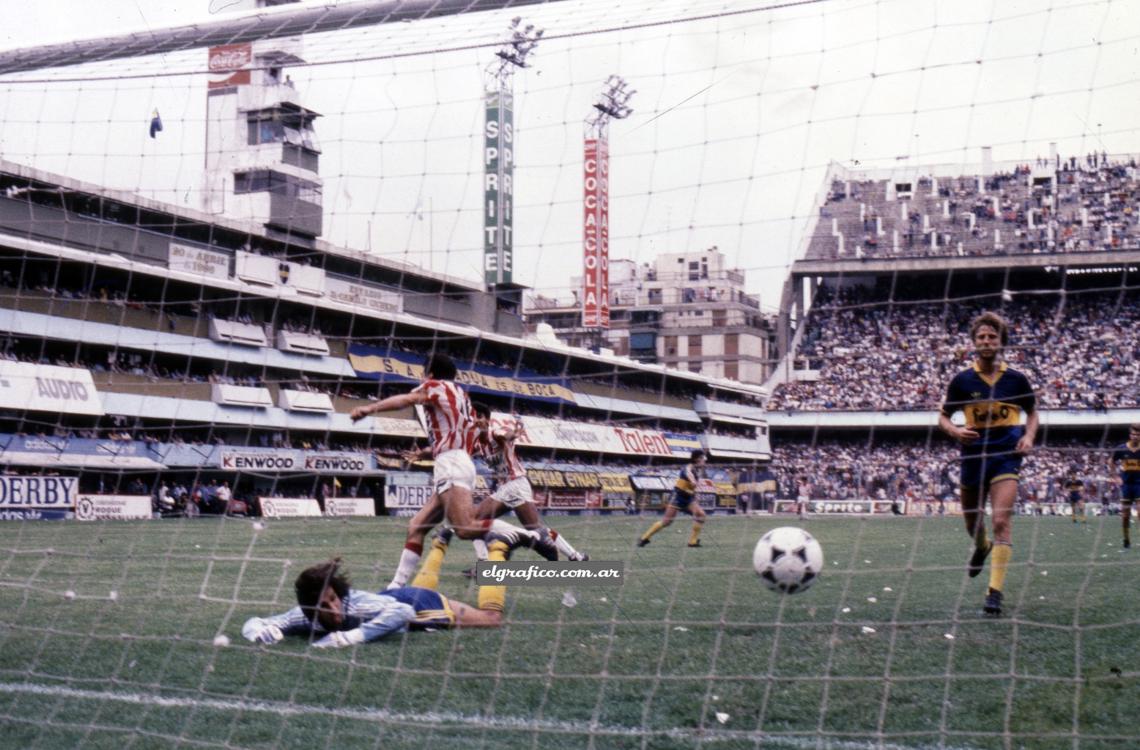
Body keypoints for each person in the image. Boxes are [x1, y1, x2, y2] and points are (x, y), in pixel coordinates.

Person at [351, 353, 550, 589]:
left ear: (431, 373)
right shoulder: (462, 396)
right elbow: (459, 434)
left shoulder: (435, 386)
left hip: (451, 464)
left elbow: (407, 399)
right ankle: (396, 587)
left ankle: (528, 536)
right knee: (417, 526)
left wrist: (369, 408)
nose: (423, 377)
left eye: (424, 372)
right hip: (458, 461)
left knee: (464, 528)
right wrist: (428, 453)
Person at [938, 311, 1038, 617]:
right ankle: (981, 547)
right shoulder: (962, 381)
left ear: (1001, 341)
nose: (986, 341)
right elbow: (942, 417)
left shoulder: (1017, 379)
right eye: (981, 336)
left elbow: (1033, 413)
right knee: (974, 524)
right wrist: (955, 430)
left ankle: (994, 593)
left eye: (992, 336)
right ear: (973, 342)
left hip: (1006, 456)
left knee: (1001, 522)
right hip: (972, 457)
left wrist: (1029, 437)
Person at [240, 549, 518, 648]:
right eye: (324, 605)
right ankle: (440, 543)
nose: (333, 607)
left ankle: (498, 549)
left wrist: (349, 637)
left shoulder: (357, 604)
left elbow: (404, 612)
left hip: (418, 604)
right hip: (391, 598)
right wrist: (261, 633)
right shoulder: (302, 617)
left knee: (492, 619)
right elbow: (254, 621)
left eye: (334, 599)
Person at [637, 449, 708, 548]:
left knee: (701, 514)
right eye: (703, 458)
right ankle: (644, 538)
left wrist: (696, 496)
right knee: (667, 521)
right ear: (697, 459)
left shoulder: (698, 470)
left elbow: (693, 487)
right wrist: (692, 480)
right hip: (678, 496)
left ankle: (692, 542)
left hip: (688, 498)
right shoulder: (688, 467)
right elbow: (688, 474)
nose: (705, 461)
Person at [1112, 424, 1140, 550]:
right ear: (1130, 435)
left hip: (1139, 485)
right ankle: (1126, 539)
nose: (1135, 437)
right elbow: (1111, 462)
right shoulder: (1122, 449)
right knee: (1125, 516)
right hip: (1127, 486)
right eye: (1133, 434)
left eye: (1138, 435)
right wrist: (1116, 477)